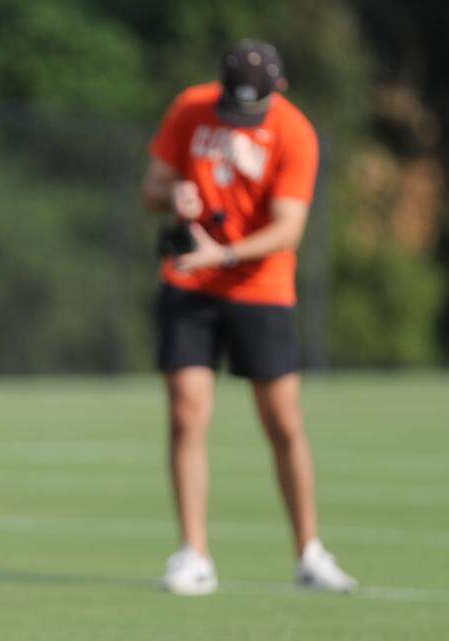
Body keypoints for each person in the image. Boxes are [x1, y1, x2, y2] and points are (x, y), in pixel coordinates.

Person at [142, 40, 356, 596]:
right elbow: (152, 189)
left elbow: (289, 229)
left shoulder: (295, 132)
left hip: (261, 286)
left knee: (283, 423)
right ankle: (194, 554)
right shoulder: (190, 108)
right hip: (189, 281)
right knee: (188, 416)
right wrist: (177, 195)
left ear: (278, 90)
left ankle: (310, 552)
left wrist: (227, 254)